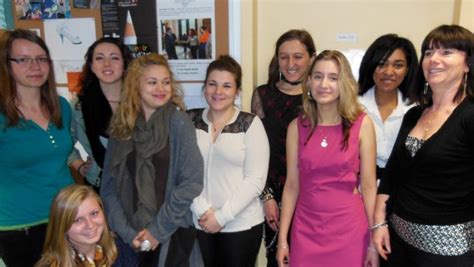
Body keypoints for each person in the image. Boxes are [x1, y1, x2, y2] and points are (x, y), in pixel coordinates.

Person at [373, 24, 474, 267]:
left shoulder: (470, 115)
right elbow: (392, 176)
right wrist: (379, 224)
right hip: (396, 243)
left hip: (447, 251)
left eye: (447, 52)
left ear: (468, 64)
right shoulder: (414, 114)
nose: (434, 59)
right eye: (428, 53)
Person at [276, 50, 378, 267]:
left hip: (349, 230)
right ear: (310, 82)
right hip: (306, 230)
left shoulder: (362, 124)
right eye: (318, 76)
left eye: (333, 78)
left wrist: (373, 240)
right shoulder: (297, 127)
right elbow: (292, 186)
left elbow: (369, 187)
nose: (324, 84)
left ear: (344, 84)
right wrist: (282, 240)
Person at [101, 53, 204, 267]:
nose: (161, 88)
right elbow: (109, 187)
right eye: (152, 82)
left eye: (166, 82)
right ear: (135, 85)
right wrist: (128, 234)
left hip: (170, 234)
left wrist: (156, 231)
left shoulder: (179, 123)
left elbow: (191, 182)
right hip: (127, 237)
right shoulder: (122, 125)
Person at [0, 29, 74, 266]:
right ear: (6, 64)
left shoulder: (61, 106)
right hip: (19, 226)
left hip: (67, 219)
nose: (35, 66)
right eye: (23, 60)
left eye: (41, 59)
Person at [188, 55, 270, 267]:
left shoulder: (250, 124)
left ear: (237, 91)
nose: (218, 92)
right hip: (200, 221)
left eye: (227, 86)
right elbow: (182, 171)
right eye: (212, 84)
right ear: (204, 87)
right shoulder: (189, 120)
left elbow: (255, 180)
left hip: (241, 226)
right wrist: (201, 209)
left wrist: (222, 217)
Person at [250, 29, 316, 267]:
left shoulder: (322, 97)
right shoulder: (263, 95)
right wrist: (266, 196)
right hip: (274, 197)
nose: (290, 64)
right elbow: (256, 153)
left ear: (311, 57)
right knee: (278, 259)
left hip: (313, 198)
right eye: (283, 56)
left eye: (298, 56)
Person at [68, 37, 132, 191]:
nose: (107, 64)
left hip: (138, 185)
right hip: (99, 185)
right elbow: (63, 143)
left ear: (124, 64)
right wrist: (79, 164)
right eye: (99, 58)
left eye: (114, 58)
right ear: (91, 65)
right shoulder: (78, 106)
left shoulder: (140, 101)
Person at [358, 34, 418, 185]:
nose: (389, 72)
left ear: (407, 69)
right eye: (382, 64)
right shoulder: (353, 106)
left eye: (398, 65)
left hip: (403, 190)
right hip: (359, 189)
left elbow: (416, 157)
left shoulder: (417, 110)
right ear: (371, 66)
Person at [36, 184, 117, 267]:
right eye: (78, 220)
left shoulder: (121, 249)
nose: (90, 225)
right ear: (62, 227)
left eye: (94, 213)